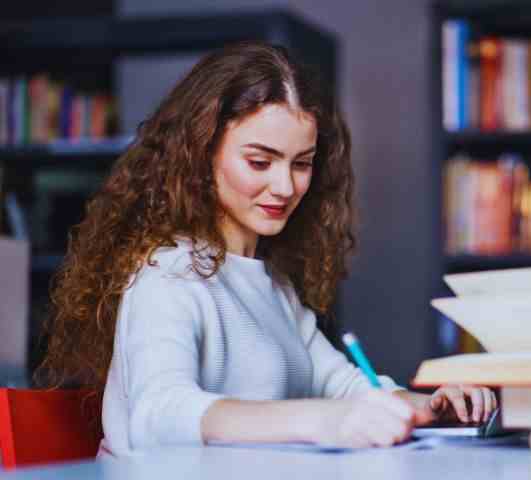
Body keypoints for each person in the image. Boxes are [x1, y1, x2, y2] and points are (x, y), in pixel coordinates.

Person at [37, 42, 495, 457]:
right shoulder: (165, 272)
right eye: (260, 161)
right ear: (201, 153)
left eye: (302, 164)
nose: (284, 187)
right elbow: (159, 415)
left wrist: (431, 405)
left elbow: (346, 386)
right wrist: (320, 421)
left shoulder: (272, 284)